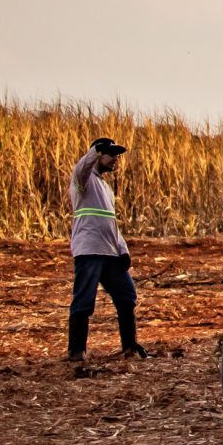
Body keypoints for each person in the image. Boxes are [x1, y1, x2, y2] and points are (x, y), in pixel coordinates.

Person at [68, 136, 146, 364]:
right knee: (83, 300)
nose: (116, 159)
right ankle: (76, 352)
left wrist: (123, 250)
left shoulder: (105, 187)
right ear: (98, 155)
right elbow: (81, 169)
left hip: (110, 252)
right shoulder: (83, 181)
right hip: (89, 250)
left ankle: (129, 346)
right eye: (111, 154)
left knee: (127, 296)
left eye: (118, 155)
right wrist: (93, 152)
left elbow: (111, 222)